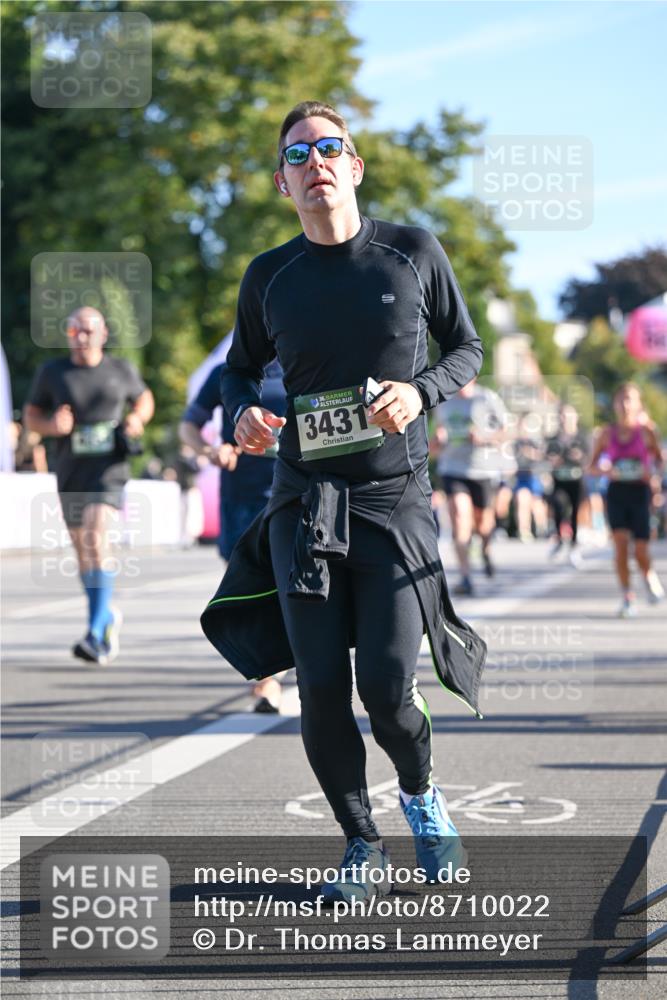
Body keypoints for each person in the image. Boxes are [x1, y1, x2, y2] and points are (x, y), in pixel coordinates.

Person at [202, 101, 487, 902]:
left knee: (388, 692)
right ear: (282, 183)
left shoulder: (412, 252)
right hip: (304, 504)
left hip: (394, 501)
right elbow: (237, 370)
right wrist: (241, 411)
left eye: (329, 148)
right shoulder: (269, 276)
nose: (315, 162)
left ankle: (422, 799)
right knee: (322, 685)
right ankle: (362, 843)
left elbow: (466, 348)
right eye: (298, 155)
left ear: (354, 167)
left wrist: (418, 391)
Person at [24, 307, 154, 663]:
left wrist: (136, 418)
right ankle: (105, 615)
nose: (80, 337)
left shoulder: (120, 369)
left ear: (103, 334)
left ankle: (96, 633)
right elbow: (32, 417)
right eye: (73, 331)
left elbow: (144, 399)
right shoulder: (52, 372)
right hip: (70, 468)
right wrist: (52, 426)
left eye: (87, 331)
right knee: (83, 550)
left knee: (97, 536)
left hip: (109, 468)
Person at [180, 358, 287, 712]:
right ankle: (277, 669)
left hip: (292, 492)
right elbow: (189, 426)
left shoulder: (305, 359)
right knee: (250, 591)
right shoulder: (229, 372)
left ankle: (270, 680)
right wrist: (210, 450)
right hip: (239, 497)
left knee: (285, 583)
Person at [589, 382, 664, 617]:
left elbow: (659, 461)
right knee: (620, 547)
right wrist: (606, 471)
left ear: (638, 404)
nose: (625, 404)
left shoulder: (647, 431)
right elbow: (591, 467)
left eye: (629, 399)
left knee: (641, 550)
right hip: (617, 493)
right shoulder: (606, 433)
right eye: (621, 399)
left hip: (640, 493)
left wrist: (652, 474)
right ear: (614, 404)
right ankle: (627, 597)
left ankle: (648, 575)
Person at [432, 377, 512, 595]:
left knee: (484, 525)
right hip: (452, 469)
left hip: (483, 470)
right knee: (460, 518)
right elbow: (435, 441)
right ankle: (465, 577)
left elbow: (506, 431)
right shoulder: (443, 400)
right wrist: (437, 440)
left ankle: (485, 550)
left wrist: (484, 437)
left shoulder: (486, 398)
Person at [545, 405, 589, 567]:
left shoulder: (581, 437)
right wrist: (553, 460)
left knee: (575, 513)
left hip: (576, 481)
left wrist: (579, 457)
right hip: (560, 481)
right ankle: (559, 538)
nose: (564, 420)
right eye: (562, 416)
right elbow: (547, 456)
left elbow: (589, 458)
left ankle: (574, 545)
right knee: (558, 504)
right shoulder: (554, 438)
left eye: (568, 416)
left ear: (575, 418)